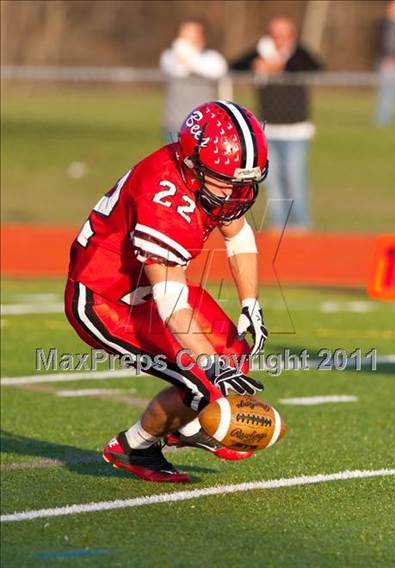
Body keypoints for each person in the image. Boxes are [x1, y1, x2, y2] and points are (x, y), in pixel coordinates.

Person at [65, 100, 269, 483]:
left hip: (150, 287)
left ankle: (188, 427)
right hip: (106, 299)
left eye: (246, 183)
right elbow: (173, 305)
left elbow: (237, 233)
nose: (237, 194)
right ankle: (135, 446)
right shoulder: (165, 200)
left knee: (235, 357)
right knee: (204, 377)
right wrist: (211, 369)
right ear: (193, 165)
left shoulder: (208, 178)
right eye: (229, 182)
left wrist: (250, 304)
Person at [231, 17, 322, 231]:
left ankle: (301, 227)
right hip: (268, 129)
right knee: (272, 183)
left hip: (296, 129)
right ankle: (279, 225)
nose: (280, 38)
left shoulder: (299, 53)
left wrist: (280, 66)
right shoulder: (261, 51)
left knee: (294, 178)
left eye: (285, 33)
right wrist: (259, 64)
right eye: (276, 33)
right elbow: (235, 65)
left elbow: (315, 66)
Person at [160, 20, 228, 140]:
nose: (186, 40)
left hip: (205, 125)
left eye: (191, 35)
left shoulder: (211, 58)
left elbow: (217, 70)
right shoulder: (168, 56)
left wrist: (188, 58)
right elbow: (176, 70)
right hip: (175, 123)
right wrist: (183, 57)